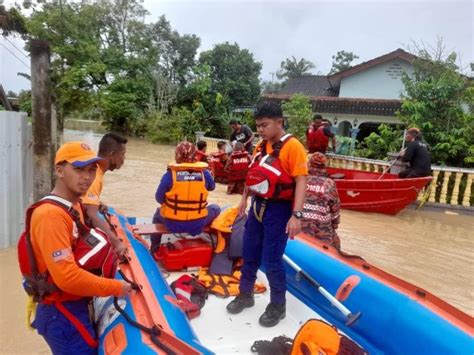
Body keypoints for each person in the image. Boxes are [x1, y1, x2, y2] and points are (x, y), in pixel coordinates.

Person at [22, 142, 132, 354]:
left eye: (91, 170)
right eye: (79, 169)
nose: (87, 176)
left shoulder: (74, 205)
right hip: (61, 313)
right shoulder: (50, 216)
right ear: (59, 170)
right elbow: (67, 278)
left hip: (75, 305)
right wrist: (117, 288)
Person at [226, 101, 308, 327]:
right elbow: (254, 175)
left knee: (272, 260)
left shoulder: (293, 147)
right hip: (257, 205)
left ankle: (277, 306)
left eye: (265, 125)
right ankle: (245, 294)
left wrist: (296, 216)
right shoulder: (260, 146)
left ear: (279, 122)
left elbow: (301, 181)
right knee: (249, 252)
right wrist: (244, 198)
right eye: (258, 126)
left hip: (279, 210)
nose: (260, 130)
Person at [151, 141, 221, 250]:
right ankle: (214, 242)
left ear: (177, 155)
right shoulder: (204, 174)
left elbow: (159, 198)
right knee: (215, 208)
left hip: (173, 224)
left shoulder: (169, 175)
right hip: (197, 224)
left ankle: (154, 247)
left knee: (157, 213)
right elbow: (212, 187)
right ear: (195, 156)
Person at [82, 133, 128, 257]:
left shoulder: (95, 170)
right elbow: (90, 215)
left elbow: (83, 200)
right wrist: (116, 243)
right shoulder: (95, 176)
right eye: (122, 154)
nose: (124, 160)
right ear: (112, 155)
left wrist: (97, 203)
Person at [301, 153, 341, 249]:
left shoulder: (301, 179)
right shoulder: (330, 183)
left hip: (300, 226)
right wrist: (335, 224)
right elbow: (335, 208)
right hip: (323, 230)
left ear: (309, 164)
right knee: (336, 243)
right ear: (324, 166)